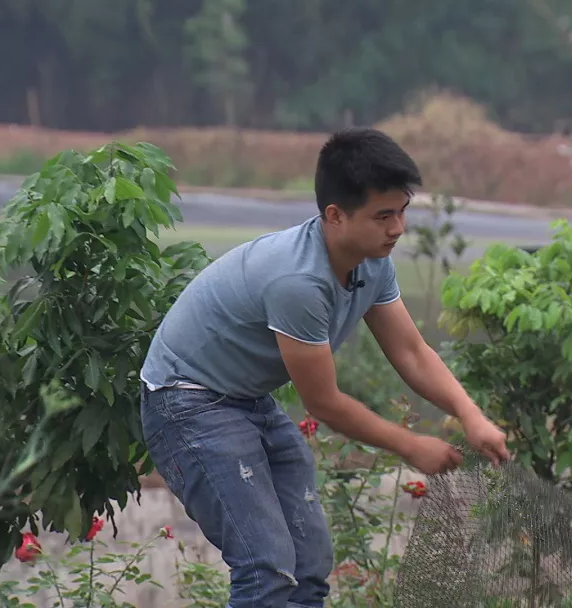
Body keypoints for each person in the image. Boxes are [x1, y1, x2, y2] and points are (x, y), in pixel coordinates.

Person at [139, 127, 511, 608]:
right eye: (383, 216)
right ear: (335, 216)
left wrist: (470, 414)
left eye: (402, 212)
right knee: (266, 567)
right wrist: (411, 444)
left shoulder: (372, 261)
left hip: (245, 398)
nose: (397, 228)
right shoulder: (299, 281)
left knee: (309, 565)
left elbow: (412, 352)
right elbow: (324, 404)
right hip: (185, 400)